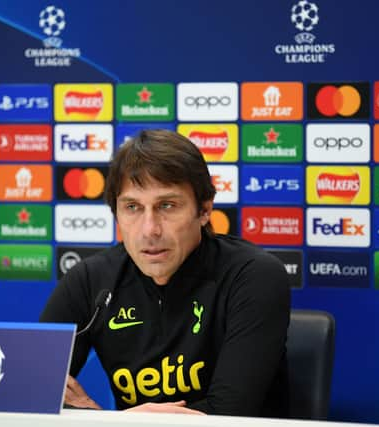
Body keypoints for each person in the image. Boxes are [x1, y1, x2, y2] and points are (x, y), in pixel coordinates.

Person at [40, 129, 291, 417]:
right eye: (132, 207)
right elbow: (30, 390)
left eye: (167, 206)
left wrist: (108, 422)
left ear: (205, 209)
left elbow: (225, 417)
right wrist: (106, 422)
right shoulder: (91, 281)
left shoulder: (252, 276)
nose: (150, 230)